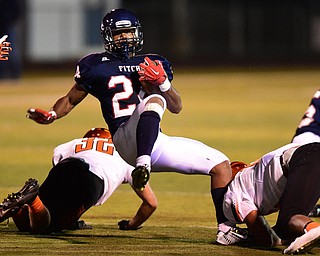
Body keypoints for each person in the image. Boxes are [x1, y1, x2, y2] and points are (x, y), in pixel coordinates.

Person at [26, 8, 234, 237]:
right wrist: (53, 115)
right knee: (153, 100)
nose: (125, 38)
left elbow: (176, 106)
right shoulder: (95, 65)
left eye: (128, 32)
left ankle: (225, 230)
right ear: (108, 37)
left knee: (221, 164)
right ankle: (142, 166)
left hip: (153, 141)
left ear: (138, 33)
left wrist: (164, 83)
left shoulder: (152, 62)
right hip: (125, 140)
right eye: (119, 33)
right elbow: (69, 99)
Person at [0, 128, 157, 234]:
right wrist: (131, 225)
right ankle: (32, 198)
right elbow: (151, 204)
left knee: (29, 222)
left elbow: (58, 162)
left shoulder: (74, 143)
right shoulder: (124, 154)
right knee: (46, 227)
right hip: (92, 179)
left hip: (66, 166)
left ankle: (21, 205)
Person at [220, 142, 320, 255]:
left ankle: (314, 228)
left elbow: (265, 238)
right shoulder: (261, 166)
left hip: (306, 160)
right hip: (309, 154)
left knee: (290, 218)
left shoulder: (234, 191)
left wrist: (250, 237)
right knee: (286, 229)